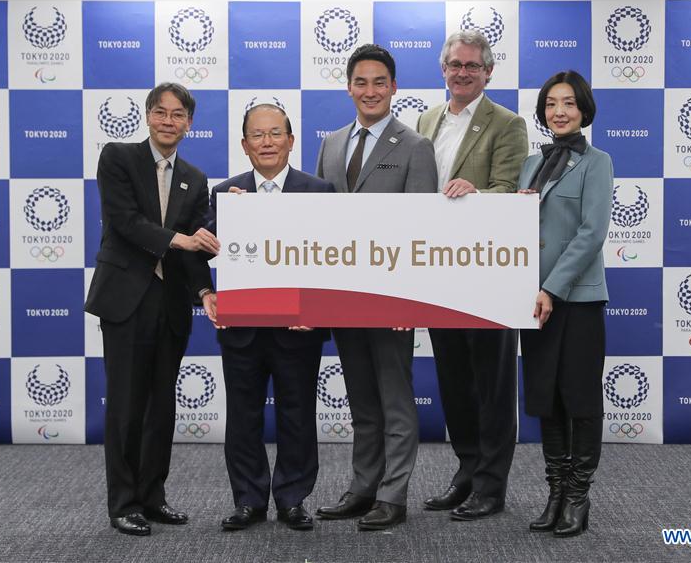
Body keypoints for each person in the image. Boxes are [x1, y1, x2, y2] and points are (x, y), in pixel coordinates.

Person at [84, 82, 219, 536]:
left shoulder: (196, 180)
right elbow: (124, 222)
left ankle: (153, 497)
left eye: (178, 114)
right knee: (126, 405)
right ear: (147, 116)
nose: (168, 121)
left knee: (161, 406)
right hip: (126, 300)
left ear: (189, 124)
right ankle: (123, 503)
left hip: (171, 304)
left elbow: (197, 251)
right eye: (160, 112)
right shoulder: (118, 158)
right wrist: (178, 239)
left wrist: (205, 293)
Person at [314, 44, 438, 530]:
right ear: (349, 87)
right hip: (344, 295)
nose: (370, 91)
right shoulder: (331, 143)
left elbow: (422, 229)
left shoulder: (414, 146)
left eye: (379, 82)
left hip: (390, 299)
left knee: (394, 397)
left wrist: (411, 294)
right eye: (361, 82)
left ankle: (394, 494)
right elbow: (316, 220)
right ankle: (363, 487)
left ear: (393, 88)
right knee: (362, 399)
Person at [201, 104, 334, 532]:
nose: (267, 142)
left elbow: (333, 261)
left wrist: (315, 311)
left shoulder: (319, 190)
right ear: (244, 145)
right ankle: (248, 500)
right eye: (257, 135)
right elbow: (201, 249)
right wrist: (207, 293)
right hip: (242, 328)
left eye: (275, 133)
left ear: (291, 141)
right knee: (243, 415)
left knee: (298, 414)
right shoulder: (225, 193)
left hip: (299, 328)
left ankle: (293, 499)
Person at [416, 30, 528, 520]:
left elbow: (512, 188)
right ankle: (466, 473)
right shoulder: (426, 119)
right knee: (454, 381)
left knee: (493, 382)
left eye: (472, 66)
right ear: (443, 70)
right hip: (438, 272)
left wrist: (476, 193)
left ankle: (491, 484)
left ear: (488, 72)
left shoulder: (508, 123)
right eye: (454, 65)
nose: (462, 73)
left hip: (488, 272)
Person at [516, 70, 612, 537]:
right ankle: (554, 493)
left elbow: (590, 235)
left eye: (569, 103)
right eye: (552, 103)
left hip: (574, 299)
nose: (560, 111)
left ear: (584, 110)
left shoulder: (598, 162)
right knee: (546, 399)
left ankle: (578, 497)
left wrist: (551, 288)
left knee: (580, 399)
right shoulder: (531, 163)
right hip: (531, 301)